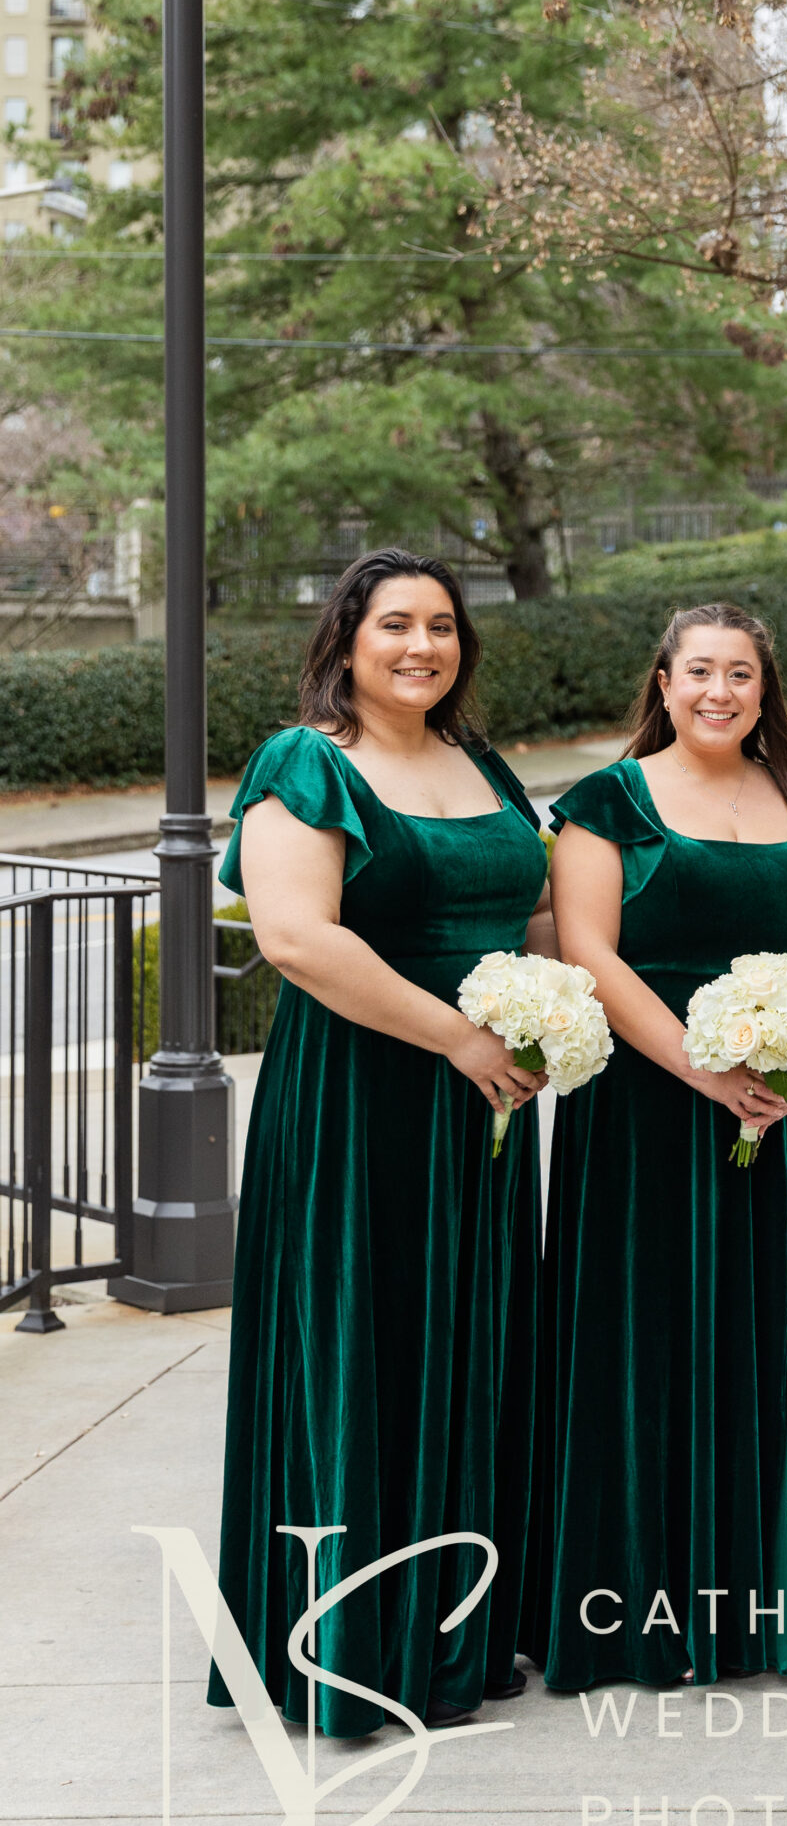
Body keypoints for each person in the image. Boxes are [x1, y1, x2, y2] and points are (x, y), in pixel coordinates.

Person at [212, 550, 551, 1734]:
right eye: (395, 624)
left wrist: (560, 1014)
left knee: (468, 1343)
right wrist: (458, 1037)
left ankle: (447, 1633)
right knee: (362, 1344)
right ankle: (347, 1646)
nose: (422, 646)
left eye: (443, 627)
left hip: (482, 1103)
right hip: (360, 1092)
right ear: (346, 640)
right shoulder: (304, 764)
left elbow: (538, 910)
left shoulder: (481, 763)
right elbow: (299, 937)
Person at [524, 602, 787, 1690]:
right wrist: (704, 1072)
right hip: (646, 1112)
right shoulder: (609, 800)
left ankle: (744, 1603)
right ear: (660, 683)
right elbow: (591, 955)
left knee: (762, 1336)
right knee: (640, 1337)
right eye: (698, 671)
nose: (719, 691)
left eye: (740, 673)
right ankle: (625, 1607)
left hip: (778, 1110)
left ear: (765, 689)